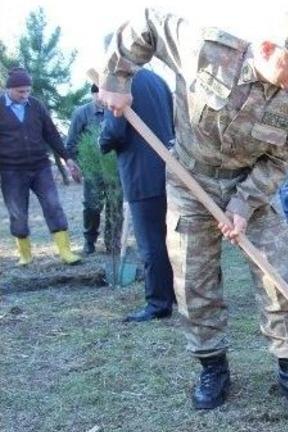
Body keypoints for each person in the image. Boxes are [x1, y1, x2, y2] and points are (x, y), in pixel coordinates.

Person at [98, 7, 288, 417]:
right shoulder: (206, 48)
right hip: (191, 181)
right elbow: (147, 22)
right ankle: (212, 368)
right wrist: (117, 77)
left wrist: (242, 205)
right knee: (194, 279)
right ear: (269, 48)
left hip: (251, 190)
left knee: (278, 278)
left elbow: (277, 163)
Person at [99, 68, 176, 323]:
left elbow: (114, 131)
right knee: (171, 238)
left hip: (141, 173)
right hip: (169, 169)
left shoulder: (118, 79)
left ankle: (158, 304)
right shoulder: (158, 79)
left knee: (151, 242)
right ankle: (177, 294)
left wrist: (102, 140)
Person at [0, 67, 82, 266]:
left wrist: (67, 158)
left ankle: (65, 251)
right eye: (21, 92)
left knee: (53, 205)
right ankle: (25, 254)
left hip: (40, 167)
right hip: (11, 170)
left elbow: (52, 133)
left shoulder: (36, 106)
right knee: (18, 212)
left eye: (28, 91)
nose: (25, 95)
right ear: (8, 89)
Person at [66, 84, 114, 254]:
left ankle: (113, 242)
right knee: (92, 206)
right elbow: (71, 142)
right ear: (93, 94)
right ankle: (89, 241)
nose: (103, 98)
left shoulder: (115, 109)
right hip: (93, 168)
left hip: (114, 168)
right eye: (99, 94)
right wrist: (73, 165)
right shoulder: (81, 113)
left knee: (114, 205)